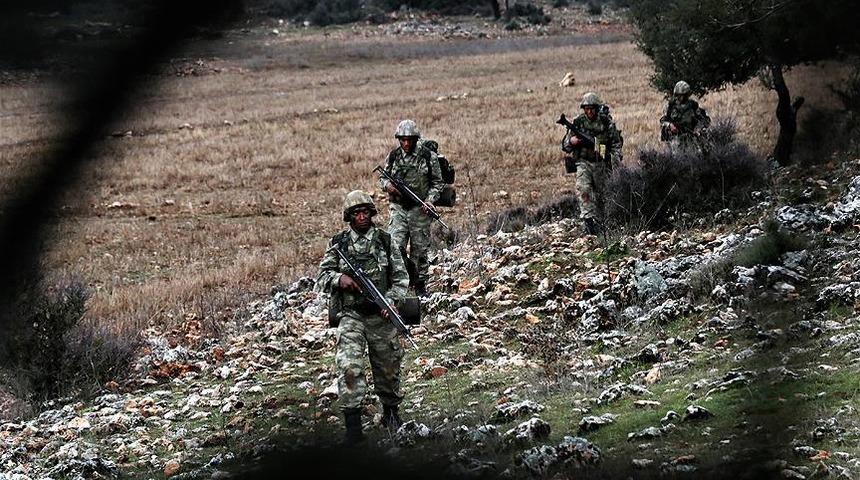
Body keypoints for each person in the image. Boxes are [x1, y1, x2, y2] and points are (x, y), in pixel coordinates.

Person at [315, 190, 410, 445]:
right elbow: (321, 278)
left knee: (388, 367)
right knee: (349, 367)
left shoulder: (385, 241)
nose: (361, 217)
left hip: (381, 316)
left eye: (365, 212)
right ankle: (353, 428)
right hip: (351, 316)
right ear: (349, 216)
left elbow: (401, 278)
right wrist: (339, 278)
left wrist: (390, 301)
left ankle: (391, 415)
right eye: (356, 213)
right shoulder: (338, 244)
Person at [379, 119, 444, 297]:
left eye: (409, 140)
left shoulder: (427, 156)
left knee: (420, 249)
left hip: (419, 208)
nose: (406, 143)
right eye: (402, 140)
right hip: (399, 208)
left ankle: (420, 283)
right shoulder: (393, 156)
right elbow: (383, 178)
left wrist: (430, 200)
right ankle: (399, 281)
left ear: (416, 139)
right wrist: (388, 187)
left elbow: (438, 183)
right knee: (395, 246)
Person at [562, 92, 623, 236]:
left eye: (592, 108)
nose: (589, 111)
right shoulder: (578, 123)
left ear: (597, 108)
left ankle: (604, 224)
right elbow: (565, 145)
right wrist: (571, 142)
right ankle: (589, 225)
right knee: (584, 190)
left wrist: (614, 160)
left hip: (601, 164)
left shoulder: (606, 122)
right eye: (586, 108)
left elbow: (616, 143)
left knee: (603, 195)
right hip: (583, 163)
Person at [660, 80, 711, 145]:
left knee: (703, 133)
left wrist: (698, 127)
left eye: (681, 95)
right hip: (676, 136)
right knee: (665, 129)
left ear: (686, 95)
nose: (678, 97)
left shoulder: (693, 105)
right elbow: (662, 120)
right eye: (677, 95)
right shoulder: (671, 105)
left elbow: (704, 119)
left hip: (691, 134)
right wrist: (670, 125)